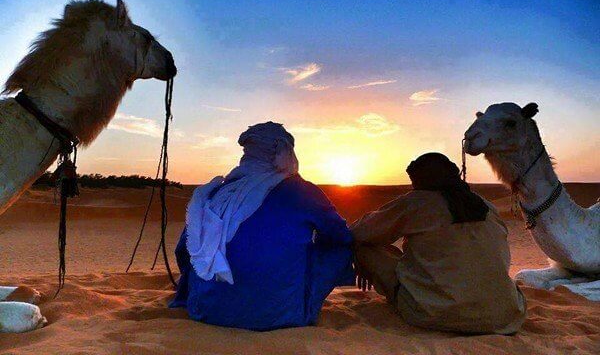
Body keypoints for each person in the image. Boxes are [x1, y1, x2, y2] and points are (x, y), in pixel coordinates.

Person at [170, 122, 354, 330]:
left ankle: (216, 297)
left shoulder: (216, 194)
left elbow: (185, 249)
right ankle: (298, 302)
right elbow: (341, 235)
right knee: (337, 249)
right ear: (285, 151)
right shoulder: (301, 191)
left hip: (205, 310)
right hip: (278, 316)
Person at [351, 153, 526, 335]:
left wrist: (361, 258)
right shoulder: (487, 206)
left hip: (436, 313)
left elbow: (360, 232)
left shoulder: (419, 202)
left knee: (364, 247)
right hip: (507, 315)